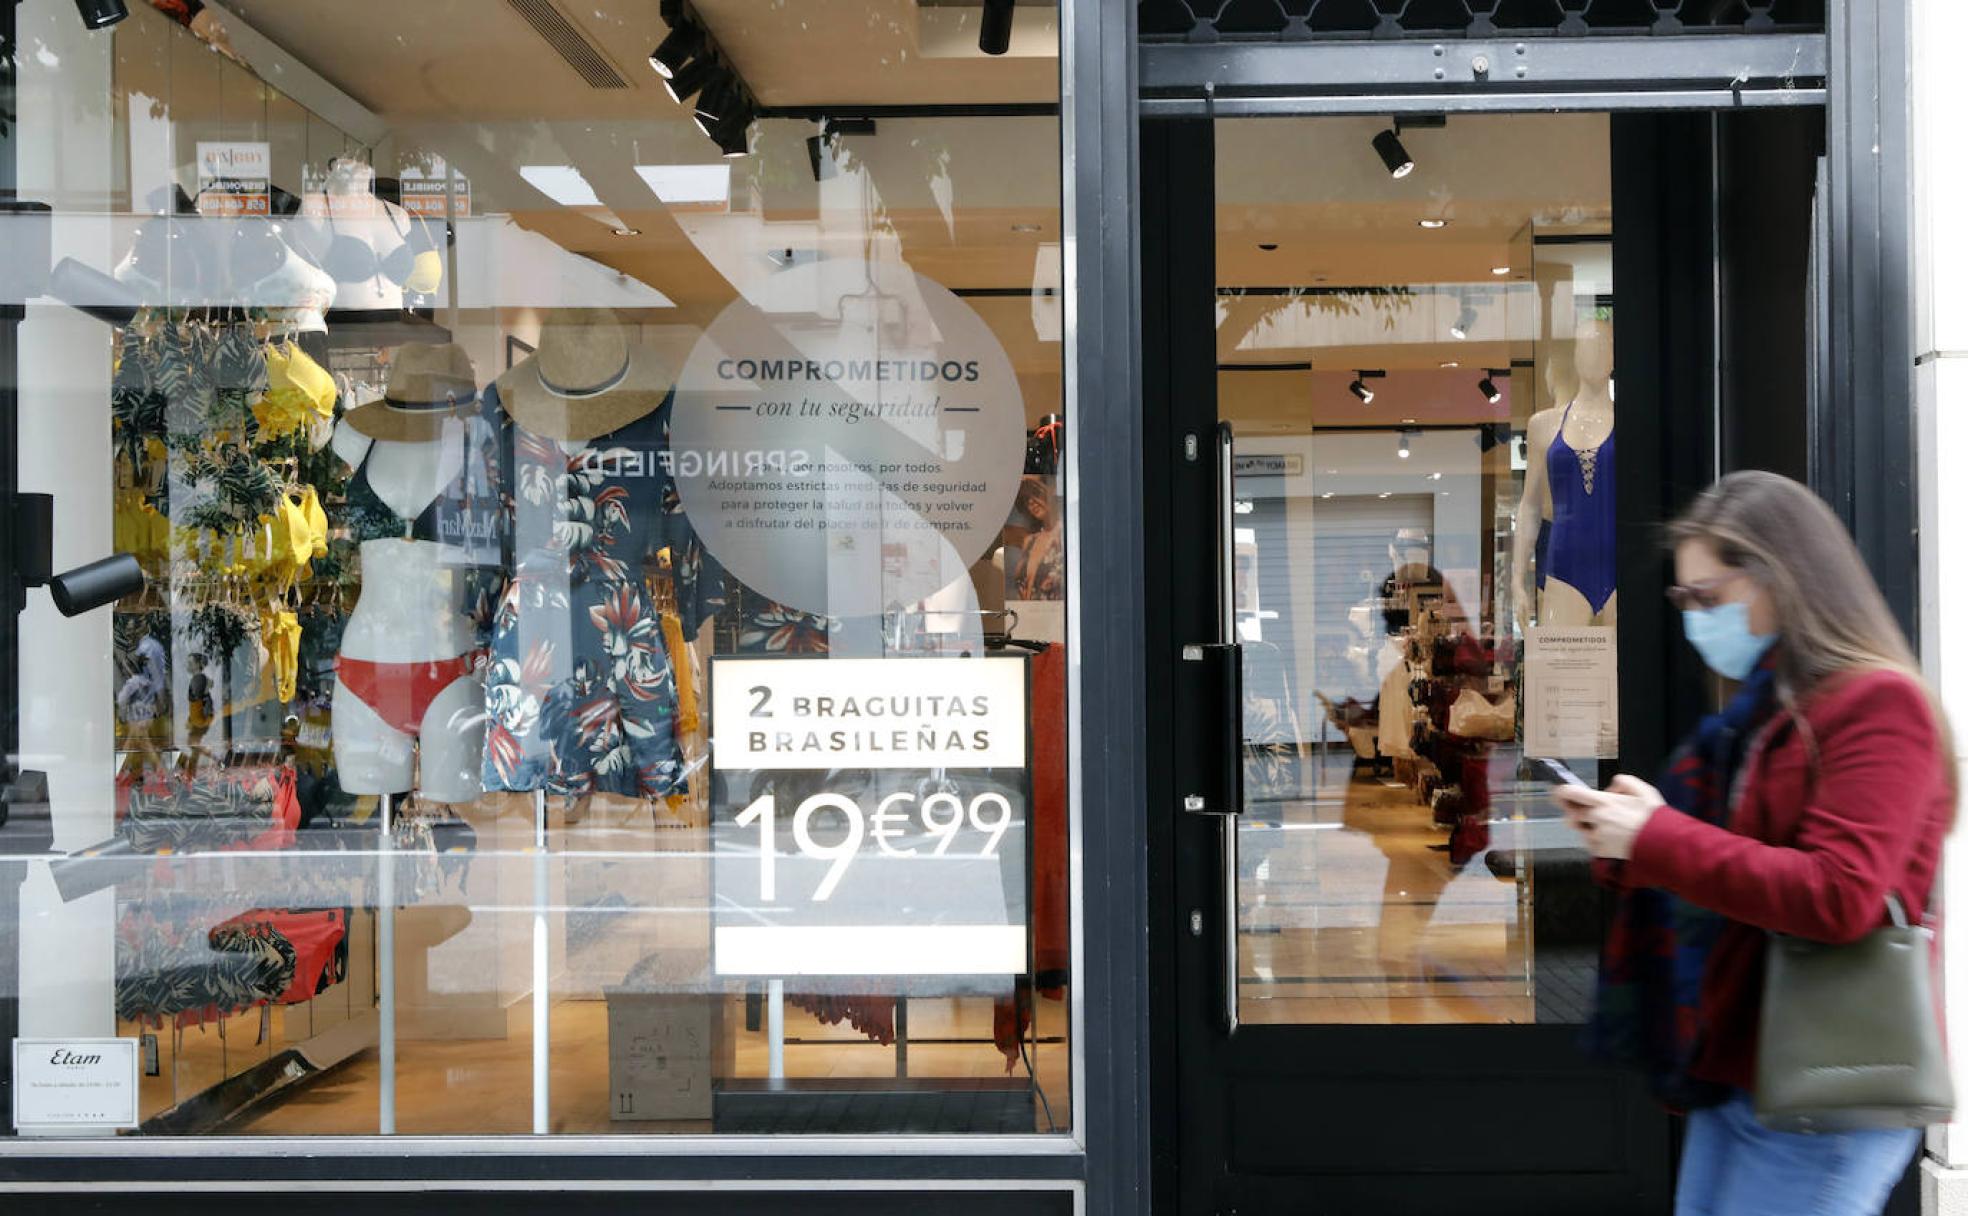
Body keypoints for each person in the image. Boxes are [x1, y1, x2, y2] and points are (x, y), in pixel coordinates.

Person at [1554, 471, 1954, 1216]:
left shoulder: (1876, 704)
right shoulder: (1770, 710)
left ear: (1783, 578)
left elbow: (1840, 896)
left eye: (1708, 597)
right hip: (1747, 1065)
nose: (1694, 618)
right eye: (1684, 600)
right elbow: (1744, 866)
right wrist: (1639, 836)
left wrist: (1658, 837)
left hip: (1826, 1082)